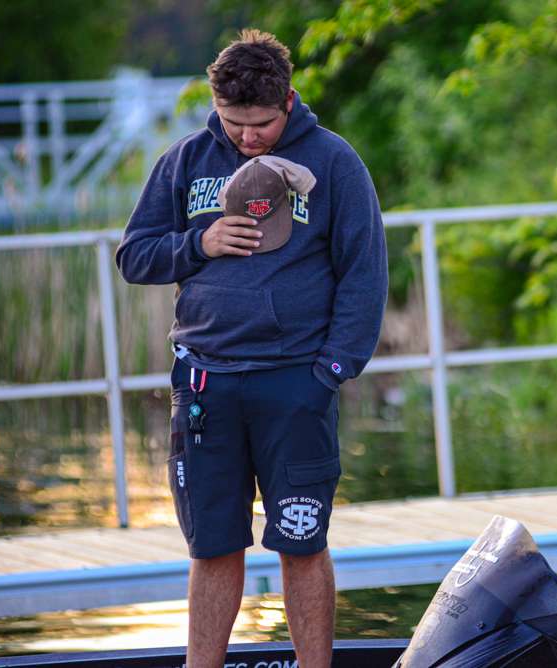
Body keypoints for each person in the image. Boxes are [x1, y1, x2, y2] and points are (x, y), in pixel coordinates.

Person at [116, 29, 388, 668]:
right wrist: (198, 244)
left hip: (296, 383)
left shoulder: (332, 161)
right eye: (234, 123)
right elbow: (134, 254)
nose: (248, 138)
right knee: (212, 546)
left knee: (301, 541)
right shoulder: (185, 160)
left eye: (261, 123)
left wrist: (330, 372)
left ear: (288, 101)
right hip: (206, 384)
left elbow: (365, 272)